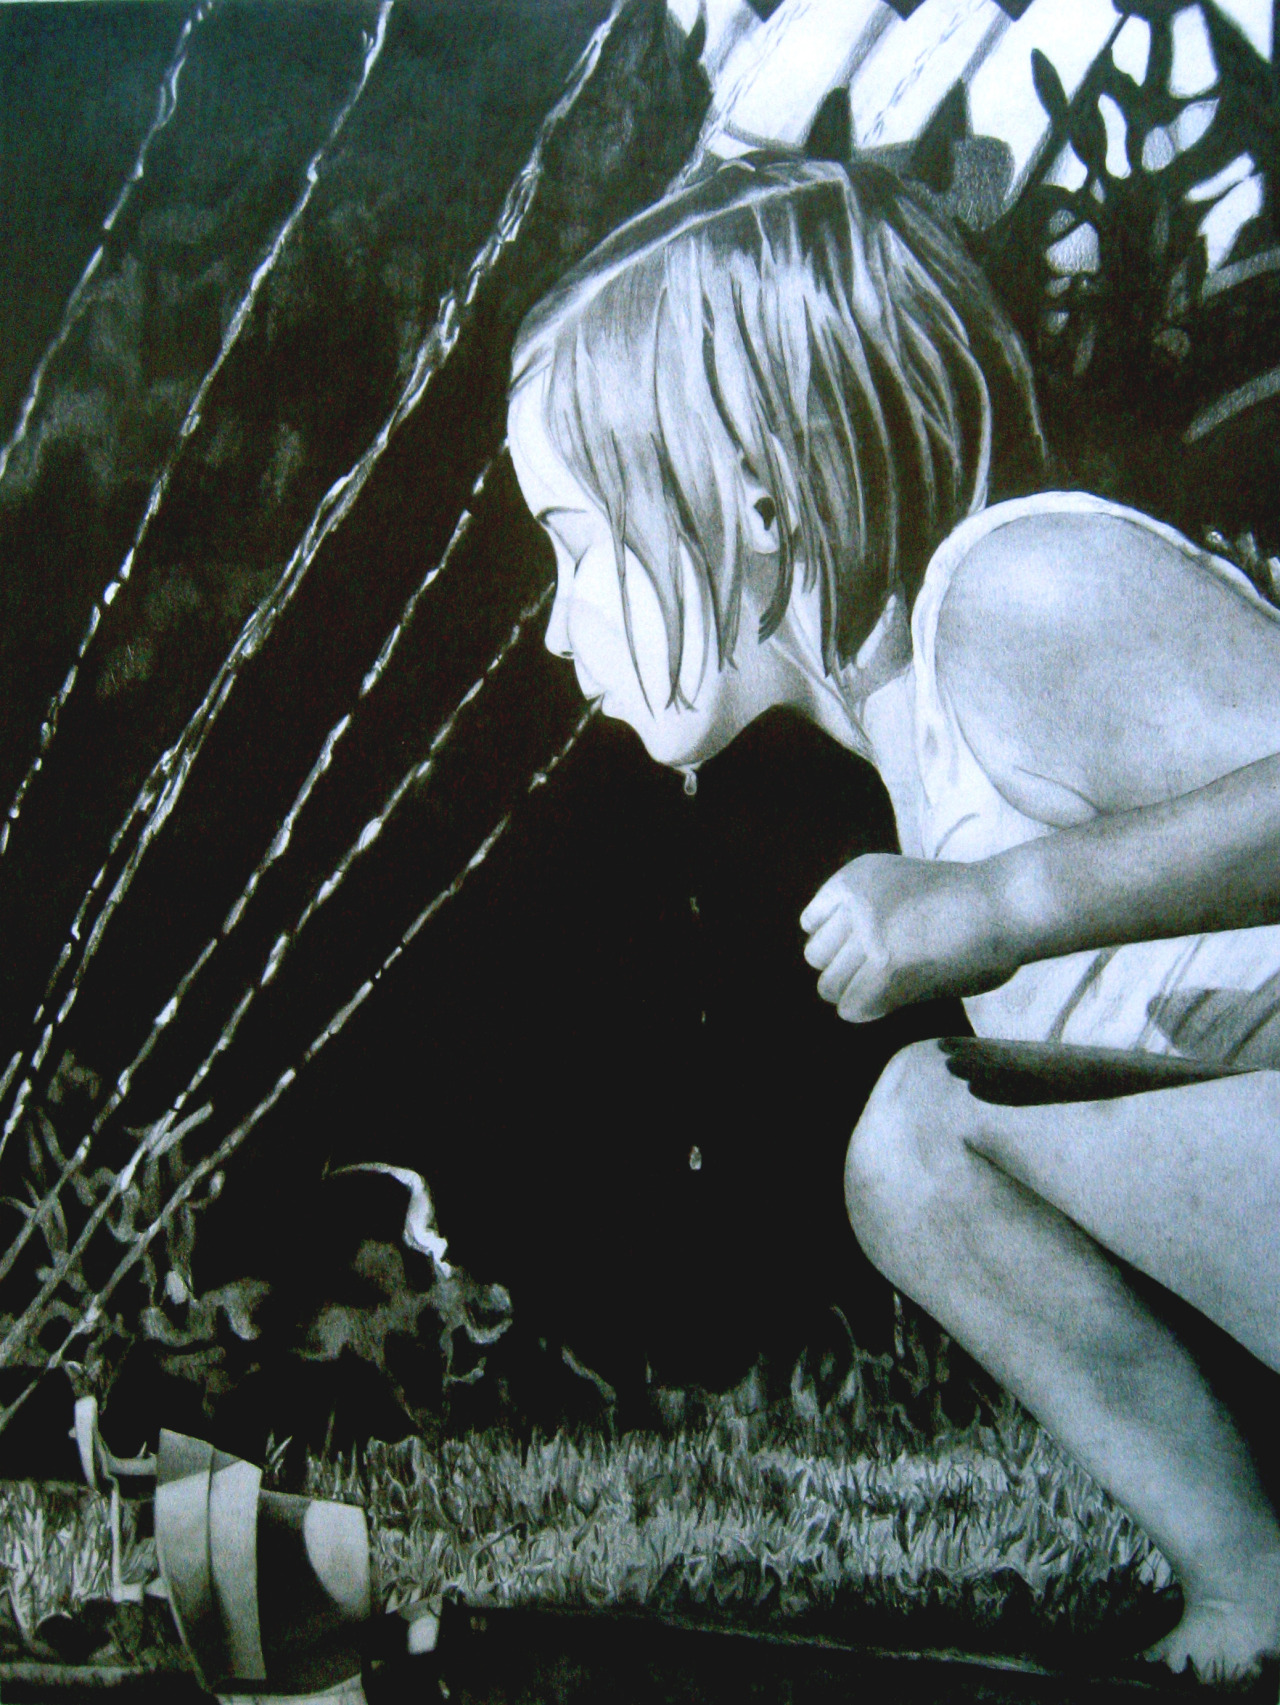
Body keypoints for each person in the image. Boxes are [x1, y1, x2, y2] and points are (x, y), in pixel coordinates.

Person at [506, 152, 1280, 1686]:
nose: (551, 621)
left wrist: (1001, 902)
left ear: (754, 495)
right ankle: (1253, 1588)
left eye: (579, 542)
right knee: (916, 1149)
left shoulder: (1013, 589)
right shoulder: (912, 730)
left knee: (925, 1122)